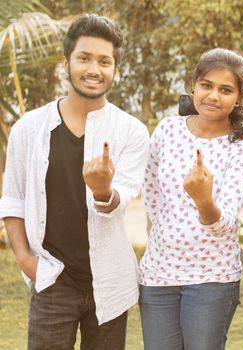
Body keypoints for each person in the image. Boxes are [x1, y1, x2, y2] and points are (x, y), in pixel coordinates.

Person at [0, 14, 149, 349]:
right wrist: (26, 260)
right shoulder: (29, 128)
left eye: (104, 61)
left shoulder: (132, 131)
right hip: (51, 278)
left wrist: (102, 191)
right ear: (66, 63)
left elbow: (122, 198)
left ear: (115, 69)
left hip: (109, 283)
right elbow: (12, 201)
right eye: (84, 58)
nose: (94, 69)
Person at [139, 48, 243, 350]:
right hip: (158, 276)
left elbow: (225, 223)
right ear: (193, 86)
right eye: (206, 85)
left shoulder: (242, 148)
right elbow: (151, 195)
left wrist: (204, 201)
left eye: (226, 89)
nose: (213, 96)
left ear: (239, 97)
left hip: (212, 279)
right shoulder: (167, 130)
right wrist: (172, 236)